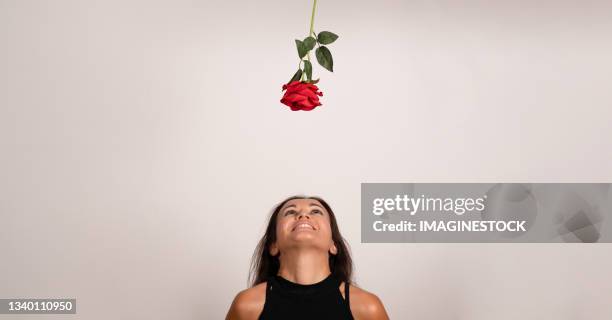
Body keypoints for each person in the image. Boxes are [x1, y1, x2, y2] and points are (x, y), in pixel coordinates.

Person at [226, 195, 389, 320]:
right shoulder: (246, 306)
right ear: (273, 245)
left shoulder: (368, 308)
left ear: (334, 245)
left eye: (316, 211)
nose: (303, 215)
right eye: (290, 211)